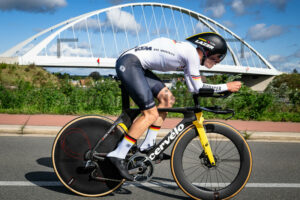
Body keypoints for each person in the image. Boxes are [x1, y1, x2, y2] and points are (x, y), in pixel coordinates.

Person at [107, 32, 242, 181]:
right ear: (208, 50)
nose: (218, 62)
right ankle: (118, 154)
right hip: (130, 63)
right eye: (218, 57)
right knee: (150, 114)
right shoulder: (191, 54)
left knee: (168, 99)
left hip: (138, 66)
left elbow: (193, 88)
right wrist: (226, 86)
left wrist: (220, 90)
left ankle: (148, 144)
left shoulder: (189, 57)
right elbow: (198, 87)